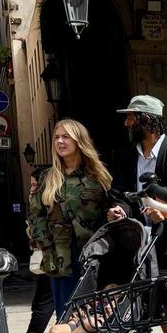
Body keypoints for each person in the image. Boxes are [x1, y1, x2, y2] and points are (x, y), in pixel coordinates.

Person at [28, 119, 112, 318]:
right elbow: (35, 215)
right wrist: (45, 244)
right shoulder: (47, 178)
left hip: (91, 256)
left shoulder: (98, 176)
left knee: (93, 316)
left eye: (66, 137)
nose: (60, 141)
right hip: (59, 257)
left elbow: (110, 209)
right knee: (66, 316)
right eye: (56, 137)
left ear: (79, 141)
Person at [107, 95, 167, 272]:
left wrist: (165, 212)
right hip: (134, 245)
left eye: (131, 117)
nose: (126, 123)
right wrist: (119, 209)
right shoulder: (126, 156)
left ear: (147, 120)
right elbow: (119, 193)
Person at [12, 170, 55, 333]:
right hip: (51, 262)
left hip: (54, 262)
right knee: (41, 306)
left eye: (34, 185)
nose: (31, 189)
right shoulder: (39, 205)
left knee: (42, 307)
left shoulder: (48, 205)